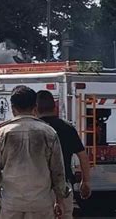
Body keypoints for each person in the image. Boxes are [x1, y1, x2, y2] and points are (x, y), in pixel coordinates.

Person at [0, 86, 67, 219]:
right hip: (41, 204)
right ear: (35, 107)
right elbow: (58, 170)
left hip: (11, 205)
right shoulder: (49, 132)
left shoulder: (2, 134)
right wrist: (60, 199)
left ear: (12, 109)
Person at [37, 90, 92, 219]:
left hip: (37, 187)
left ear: (36, 108)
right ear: (55, 107)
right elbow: (83, 157)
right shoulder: (67, 128)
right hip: (63, 186)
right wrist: (86, 181)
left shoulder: (34, 129)